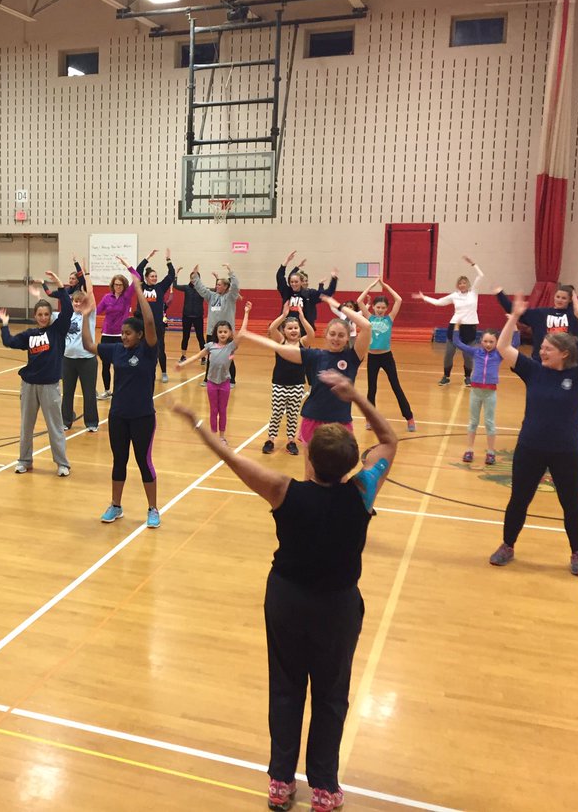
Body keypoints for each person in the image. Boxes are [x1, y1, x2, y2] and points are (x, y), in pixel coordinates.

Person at [172, 371, 397, 812]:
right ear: (351, 463)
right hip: (338, 608)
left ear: (308, 459)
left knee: (286, 688)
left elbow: (228, 455)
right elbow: (389, 440)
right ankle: (324, 788)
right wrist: (356, 396)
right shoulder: (363, 490)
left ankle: (280, 782)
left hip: (287, 602)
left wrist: (197, 422)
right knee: (331, 695)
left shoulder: (282, 490)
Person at [488, 291, 578, 575]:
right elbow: (503, 346)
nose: (541, 352)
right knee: (519, 499)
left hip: (566, 451)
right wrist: (515, 317)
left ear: (564, 353)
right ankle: (507, 545)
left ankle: (577, 553)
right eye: (541, 347)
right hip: (530, 448)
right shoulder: (533, 370)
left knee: (571, 504)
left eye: (547, 349)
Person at [240, 295, 371, 480]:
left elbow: (367, 326)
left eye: (341, 335)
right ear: (325, 335)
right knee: (310, 474)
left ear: (347, 337)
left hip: (340, 421)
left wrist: (338, 306)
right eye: (332, 334)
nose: (336, 338)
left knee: (341, 475)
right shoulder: (315, 356)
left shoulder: (353, 356)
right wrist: (250, 335)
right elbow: (281, 349)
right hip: (313, 419)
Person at [80, 275, 161, 528]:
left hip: (143, 416)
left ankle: (153, 509)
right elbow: (88, 345)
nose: (124, 337)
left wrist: (138, 289)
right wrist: (85, 317)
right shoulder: (116, 350)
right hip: (118, 416)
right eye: (123, 333)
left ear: (139, 335)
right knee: (119, 461)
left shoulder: (148, 351)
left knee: (144, 462)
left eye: (128, 333)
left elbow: (149, 320)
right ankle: (116, 505)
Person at [0, 271, 73, 476]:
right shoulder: (30, 334)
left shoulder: (57, 331)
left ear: (51, 316)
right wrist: (4, 324)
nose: (43, 318)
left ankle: (62, 464)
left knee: (55, 426)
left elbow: (67, 309)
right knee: (26, 426)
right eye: (39, 315)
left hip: (50, 386)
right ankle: (24, 460)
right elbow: (9, 342)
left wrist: (59, 284)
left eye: (46, 314)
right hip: (29, 385)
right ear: (35, 316)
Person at [494, 257, 578, 354]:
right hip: (541, 361)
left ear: (570, 300)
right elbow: (514, 311)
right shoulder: (541, 313)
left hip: (568, 362)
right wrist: (500, 294)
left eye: (564, 298)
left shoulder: (576, 314)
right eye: (558, 297)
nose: (560, 300)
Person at [178, 302, 250, 442]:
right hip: (211, 383)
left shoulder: (231, 346)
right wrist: (183, 364)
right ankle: (213, 437)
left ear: (230, 333)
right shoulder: (210, 346)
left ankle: (221, 437)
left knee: (222, 411)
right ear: (216, 333)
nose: (222, 334)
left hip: (224, 383)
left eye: (225, 332)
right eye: (220, 332)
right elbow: (197, 356)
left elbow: (242, 332)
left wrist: (246, 312)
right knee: (213, 410)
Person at [414, 255, 485, 386]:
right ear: (458, 285)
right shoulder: (454, 296)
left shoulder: (473, 293)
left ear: (468, 284)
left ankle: (467, 377)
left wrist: (473, 263)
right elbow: (438, 302)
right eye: (460, 283)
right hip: (454, 327)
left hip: (470, 328)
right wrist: (424, 297)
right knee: (449, 353)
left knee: (468, 355)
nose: (462, 285)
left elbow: (481, 276)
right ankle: (446, 376)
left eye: (464, 282)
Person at [356, 279, 416, 432]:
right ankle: (370, 418)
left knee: (396, 387)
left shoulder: (390, 318)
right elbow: (359, 301)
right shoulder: (369, 317)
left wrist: (386, 286)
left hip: (387, 357)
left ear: (387, 308)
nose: (380, 310)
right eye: (378, 307)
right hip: (372, 358)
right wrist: (370, 286)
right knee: (372, 389)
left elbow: (399, 299)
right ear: (374, 307)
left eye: (383, 307)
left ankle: (409, 417)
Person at [261, 303, 315, 455]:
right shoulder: (280, 341)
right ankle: (270, 439)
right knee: (276, 413)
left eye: (296, 328)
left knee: (293, 414)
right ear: (283, 331)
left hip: (297, 385)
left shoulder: (303, 343)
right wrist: (284, 315)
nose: (293, 330)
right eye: (289, 328)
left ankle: (291, 441)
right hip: (279, 384)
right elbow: (272, 329)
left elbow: (311, 334)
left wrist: (302, 317)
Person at [449, 325, 502, 464]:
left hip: (490, 393)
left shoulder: (499, 354)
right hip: (475, 392)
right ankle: (469, 450)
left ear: (497, 342)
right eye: (485, 341)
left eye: (491, 342)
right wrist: (456, 326)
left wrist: (514, 325)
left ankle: (491, 452)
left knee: (489, 422)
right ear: (481, 341)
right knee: (473, 422)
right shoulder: (476, 352)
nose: (488, 344)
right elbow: (457, 342)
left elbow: (514, 343)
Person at [191, 263, 240, 386]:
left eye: (219, 285)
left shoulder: (231, 297)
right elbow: (201, 289)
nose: (216, 286)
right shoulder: (211, 296)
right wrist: (195, 276)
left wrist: (230, 271)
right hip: (212, 332)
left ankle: (232, 379)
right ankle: (208, 379)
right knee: (211, 357)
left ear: (225, 286)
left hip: (226, 334)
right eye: (217, 284)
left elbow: (235, 286)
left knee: (229, 357)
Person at [61, 282, 99, 434]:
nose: (77, 304)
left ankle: (92, 422)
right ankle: (65, 421)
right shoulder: (66, 316)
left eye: (80, 301)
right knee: (67, 392)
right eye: (75, 301)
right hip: (68, 360)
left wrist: (86, 275)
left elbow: (91, 295)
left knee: (89, 393)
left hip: (87, 360)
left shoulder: (89, 314)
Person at [133, 249, 176, 383]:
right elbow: (138, 270)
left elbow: (171, 274)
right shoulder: (141, 287)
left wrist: (168, 260)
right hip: (142, 324)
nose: (154, 278)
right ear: (146, 278)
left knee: (160, 349)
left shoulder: (160, 288)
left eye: (156, 276)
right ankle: (141, 371)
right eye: (152, 276)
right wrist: (148, 257)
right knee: (141, 348)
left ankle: (163, 372)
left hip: (157, 325)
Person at [95, 263, 136, 399]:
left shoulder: (127, 297)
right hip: (107, 334)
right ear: (112, 285)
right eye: (116, 284)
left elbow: (137, 277)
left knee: (120, 364)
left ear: (124, 286)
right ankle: (107, 390)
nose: (118, 287)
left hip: (120, 335)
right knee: (105, 365)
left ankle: (120, 391)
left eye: (120, 285)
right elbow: (96, 311)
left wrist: (127, 265)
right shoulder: (107, 297)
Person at [276, 251, 338, 328]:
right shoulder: (286, 291)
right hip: (287, 327)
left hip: (304, 329)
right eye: (291, 282)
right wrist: (287, 261)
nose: (293, 284)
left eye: (296, 282)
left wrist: (334, 279)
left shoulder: (309, 293)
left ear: (301, 282)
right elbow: (280, 277)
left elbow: (328, 293)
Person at [178, 271, 206, 363]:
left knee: (200, 337)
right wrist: (176, 275)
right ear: (190, 279)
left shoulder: (202, 289)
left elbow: (215, 290)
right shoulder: (186, 288)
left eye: (195, 278)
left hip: (198, 316)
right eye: (192, 278)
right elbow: (175, 285)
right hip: (187, 316)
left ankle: (203, 357)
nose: (193, 279)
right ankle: (183, 356)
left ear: (199, 279)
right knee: (185, 336)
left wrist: (217, 279)